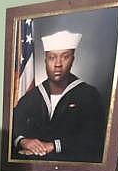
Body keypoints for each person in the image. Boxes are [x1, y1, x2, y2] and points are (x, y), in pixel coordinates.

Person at [12, 30, 105, 162]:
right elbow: (13, 127)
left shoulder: (89, 95)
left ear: (72, 60)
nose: (57, 64)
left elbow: (93, 139)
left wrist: (54, 146)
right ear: (45, 61)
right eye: (52, 57)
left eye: (65, 57)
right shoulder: (32, 97)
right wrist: (23, 141)